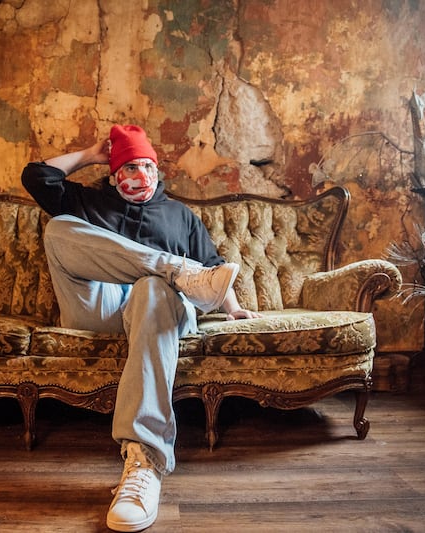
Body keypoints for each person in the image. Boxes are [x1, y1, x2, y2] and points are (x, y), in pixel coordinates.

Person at [21, 124, 260, 532]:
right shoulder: (88, 201)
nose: (141, 175)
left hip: (158, 313)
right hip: (100, 310)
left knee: (151, 289)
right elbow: (36, 177)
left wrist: (233, 308)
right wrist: (92, 153)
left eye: (148, 166)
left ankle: (144, 460)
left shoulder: (179, 215)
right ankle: (175, 270)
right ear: (114, 174)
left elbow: (215, 267)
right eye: (130, 166)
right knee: (59, 229)